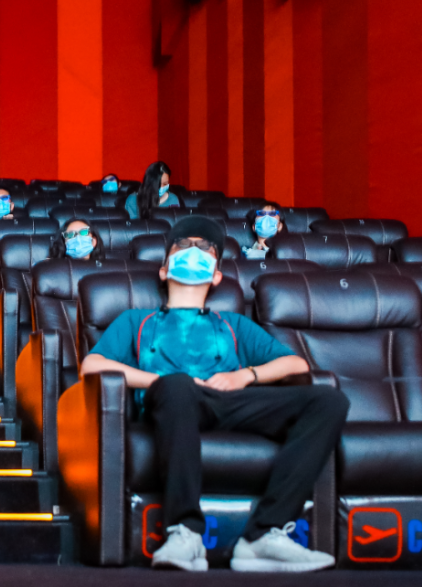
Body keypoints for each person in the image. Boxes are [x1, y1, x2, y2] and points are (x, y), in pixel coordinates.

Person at [80, 216, 348, 573]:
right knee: (177, 385)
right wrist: (159, 379)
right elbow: (91, 365)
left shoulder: (232, 324)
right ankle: (185, 532)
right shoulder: (136, 320)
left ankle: (264, 534)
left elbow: (295, 364)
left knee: (329, 401)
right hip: (172, 402)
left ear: (217, 276)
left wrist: (244, 375)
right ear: (163, 271)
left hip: (227, 400)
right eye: (183, 245)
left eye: (205, 248)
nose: (194, 249)